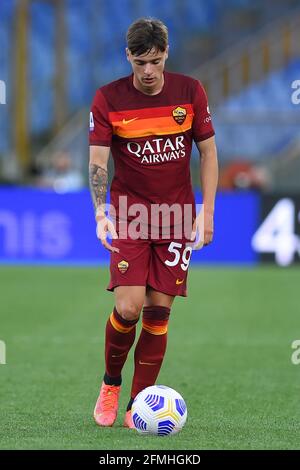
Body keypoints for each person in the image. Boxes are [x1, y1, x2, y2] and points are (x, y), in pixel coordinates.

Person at [89, 17, 218, 428]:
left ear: (167, 55)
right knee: (127, 307)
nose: (148, 71)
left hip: (177, 216)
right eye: (140, 61)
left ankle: (137, 404)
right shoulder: (108, 99)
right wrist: (100, 212)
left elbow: (209, 154)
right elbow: (97, 162)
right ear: (128, 56)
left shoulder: (189, 91)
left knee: (159, 310)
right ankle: (110, 386)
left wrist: (207, 211)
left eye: (156, 61)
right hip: (131, 215)